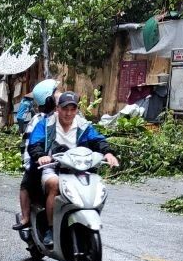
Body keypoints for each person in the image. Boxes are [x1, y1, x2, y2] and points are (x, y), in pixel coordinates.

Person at [28, 92, 119, 247]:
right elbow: (35, 143)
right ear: (57, 108)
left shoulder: (83, 125)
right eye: (65, 109)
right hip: (52, 168)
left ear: (77, 109)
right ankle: (50, 228)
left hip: (78, 168)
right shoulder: (46, 124)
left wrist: (108, 153)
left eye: (72, 109)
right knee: (54, 184)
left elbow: (98, 140)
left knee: (94, 185)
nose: (68, 113)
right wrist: (41, 155)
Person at [14, 79, 59, 231]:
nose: (59, 94)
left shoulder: (61, 116)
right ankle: (26, 217)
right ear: (49, 99)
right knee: (26, 183)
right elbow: (32, 146)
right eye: (55, 93)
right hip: (37, 161)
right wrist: (38, 157)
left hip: (57, 161)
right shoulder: (38, 120)